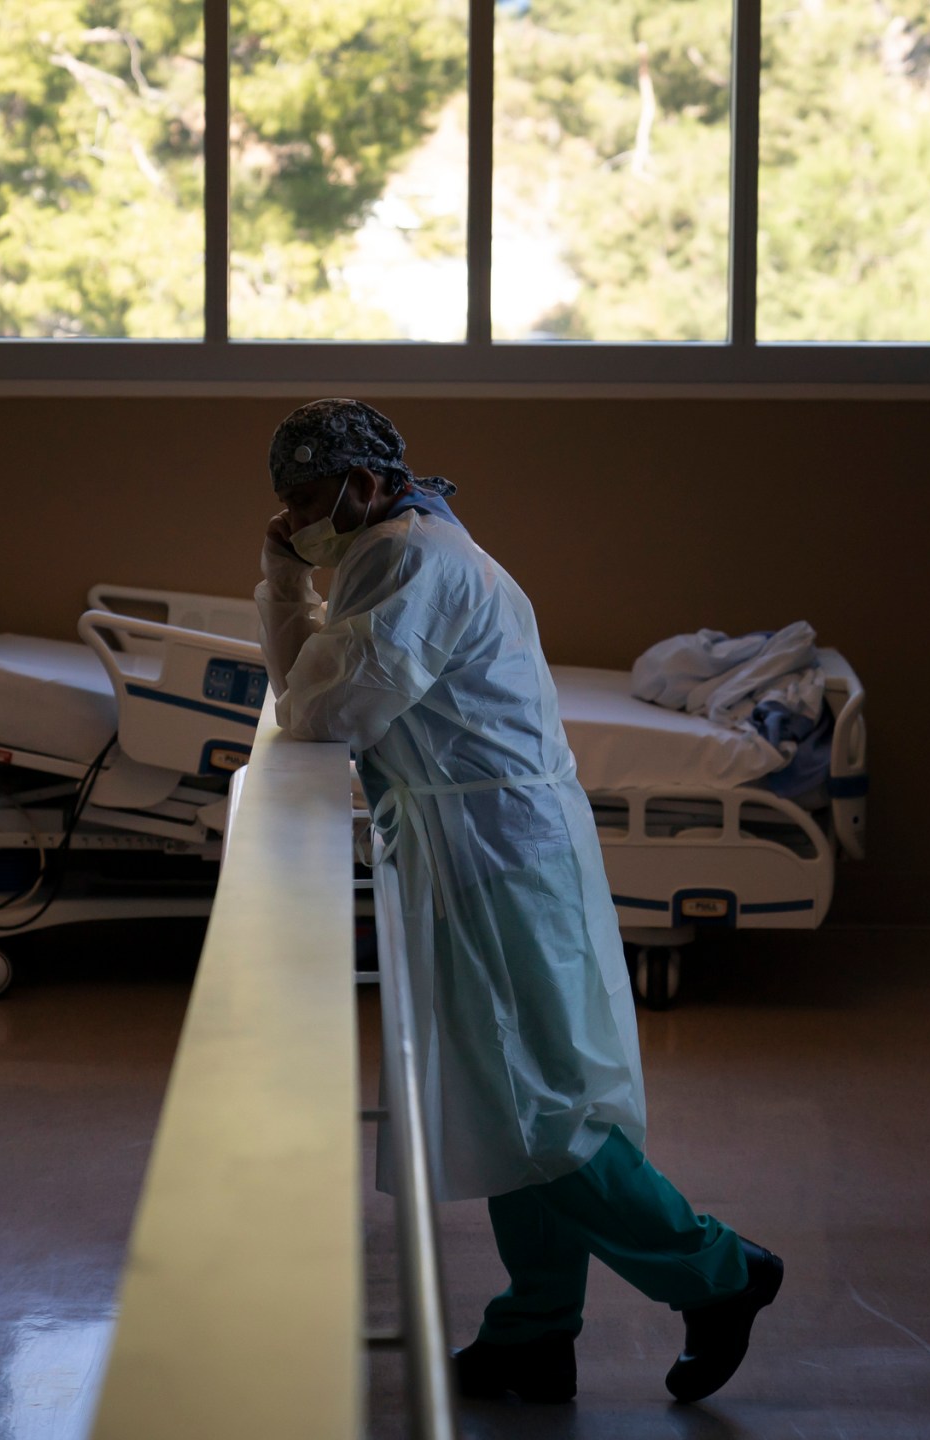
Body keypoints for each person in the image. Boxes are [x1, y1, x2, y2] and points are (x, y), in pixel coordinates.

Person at [253, 398, 785, 1405]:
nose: (296, 524)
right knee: (513, 1104)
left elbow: (323, 712)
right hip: (483, 848)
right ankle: (535, 1329)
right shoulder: (399, 548)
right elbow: (317, 692)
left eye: (310, 501)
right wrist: (289, 585)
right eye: (283, 508)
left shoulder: (411, 559)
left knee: (540, 1114)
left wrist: (284, 589)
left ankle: (720, 1272)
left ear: (366, 485)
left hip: (492, 855)